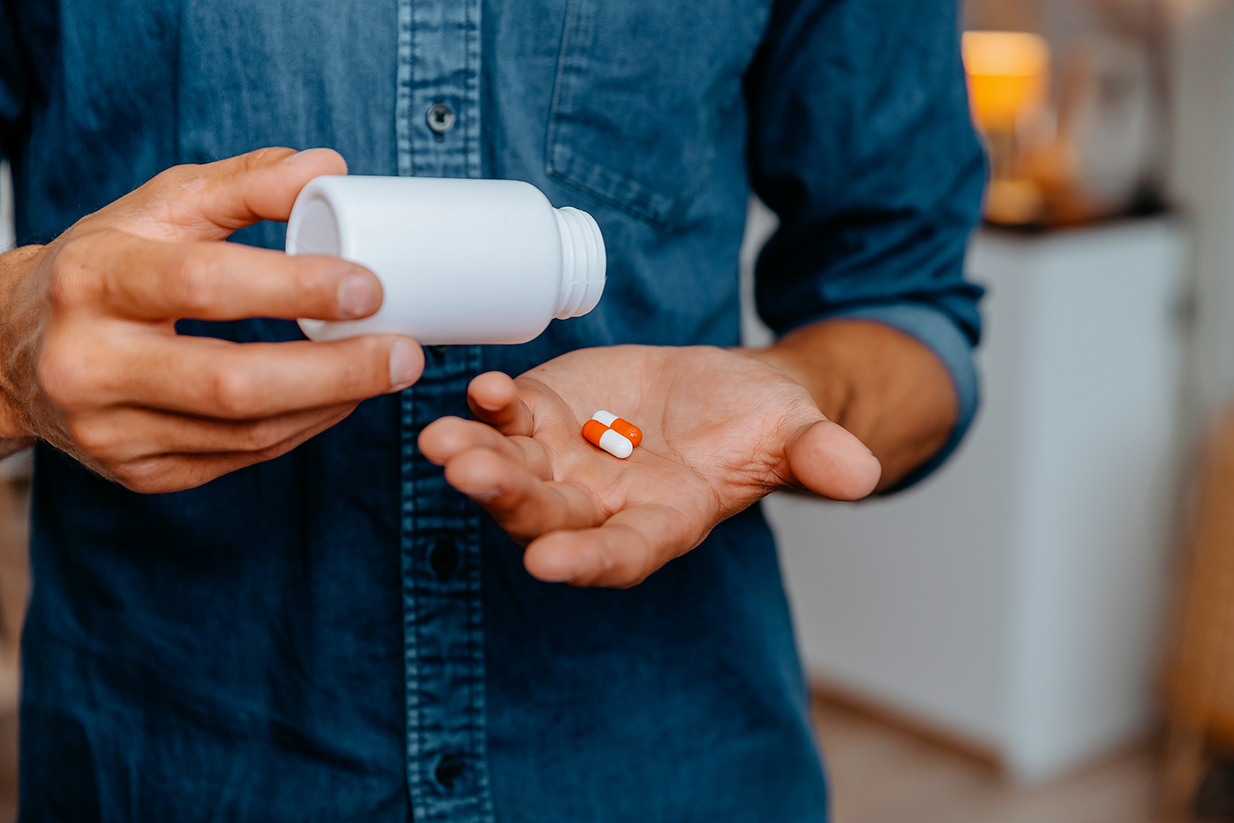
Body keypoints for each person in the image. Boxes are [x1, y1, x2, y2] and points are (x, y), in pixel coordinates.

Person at [0, 0, 984, 819]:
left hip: (665, 759)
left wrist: (798, 394)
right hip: (169, 762)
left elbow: (903, 297)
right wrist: (12, 360)